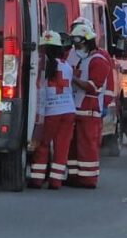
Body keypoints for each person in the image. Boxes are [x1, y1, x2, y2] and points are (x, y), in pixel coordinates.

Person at [29, 31, 76, 190]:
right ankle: (56, 181)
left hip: (50, 112)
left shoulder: (41, 67)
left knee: (43, 145)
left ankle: (37, 180)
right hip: (68, 111)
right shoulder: (67, 67)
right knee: (62, 146)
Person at [68, 23, 112, 188]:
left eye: (78, 43)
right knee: (73, 145)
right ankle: (73, 176)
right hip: (76, 108)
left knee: (87, 145)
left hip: (89, 110)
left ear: (87, 42)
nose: (76, 46)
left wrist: (73, 80)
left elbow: (94, 87)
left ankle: (88, 179)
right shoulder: (80, 58)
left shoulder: (99, 61)